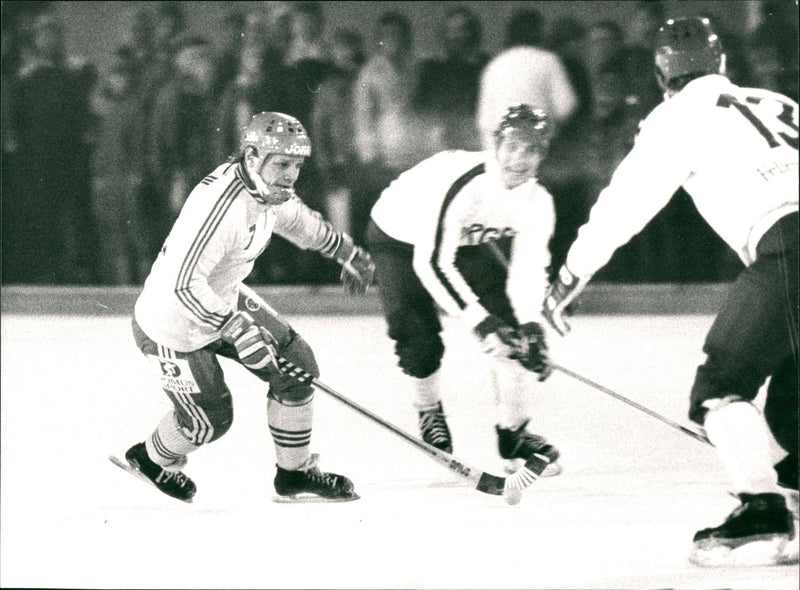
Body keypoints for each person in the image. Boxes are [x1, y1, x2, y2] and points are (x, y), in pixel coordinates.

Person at [542, 17, 798, 566]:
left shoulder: (676, 116)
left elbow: (625, 203)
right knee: (791, 413)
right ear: (722, 62)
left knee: (718, 389)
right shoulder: (776, 101)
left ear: (662, 74)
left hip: (787, 250)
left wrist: (571, 274)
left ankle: (763, 512)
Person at [118, 112, 374, 503]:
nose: (291, 175)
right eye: (283, 164)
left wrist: (344, 250)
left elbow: (297, 220)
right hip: (173, 324)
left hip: (222, 301)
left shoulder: (264, 189)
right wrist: (235, 327)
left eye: (297, 166)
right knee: (209, 422)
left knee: (298, 367)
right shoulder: (221, 207)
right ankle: (150, 459)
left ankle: (294, 474)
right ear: (252, 157)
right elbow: (181, 285)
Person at [366, 104, 561, 476]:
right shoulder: (467, 183)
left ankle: (514, 433)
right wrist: (481, 322)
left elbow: (530, 269)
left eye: (531, 150)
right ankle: (428, 409)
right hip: (397, 236)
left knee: (513, 332)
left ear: (542, 154)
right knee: (418, 338)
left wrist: (532, 326)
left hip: (465, 242)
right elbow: (433, 263)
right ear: (496, 144)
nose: (519, 159)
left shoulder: (539, 202)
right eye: (512, 146)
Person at [476, 9, 577, 150]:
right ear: (539, 33)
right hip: (537, 149)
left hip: (500, 152)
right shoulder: (548, 61)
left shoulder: (494, 66)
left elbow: (484, 120)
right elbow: (567, 106)